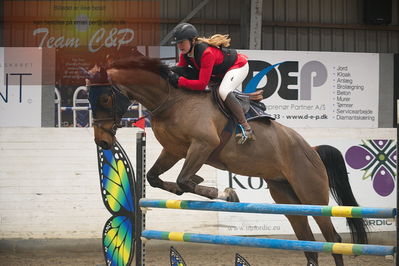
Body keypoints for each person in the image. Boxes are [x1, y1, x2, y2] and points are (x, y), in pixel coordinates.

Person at [168, 23, 255, 144]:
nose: (179, 46)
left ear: (193, 40)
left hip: (238, 65)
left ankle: (246, 127)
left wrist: (179, 81)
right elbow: (180, 70)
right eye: (177, 43)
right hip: (219, 72)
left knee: (223, 91)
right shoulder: (185, 54)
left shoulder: (206, 53)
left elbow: (201, 85)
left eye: (182, 42)